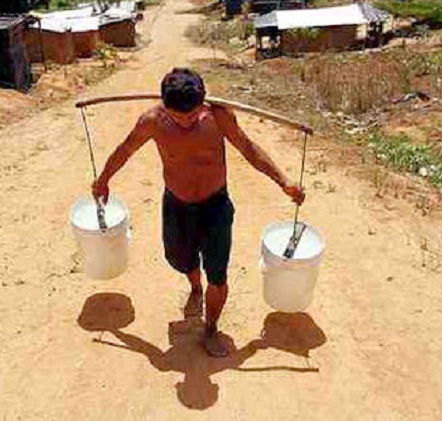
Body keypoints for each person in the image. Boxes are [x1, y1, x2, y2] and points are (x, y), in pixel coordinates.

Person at [92, 68, 304, 357]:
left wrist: (284, 181)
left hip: (215, 205)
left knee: (217, 273)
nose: (185, 122)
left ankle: (211, 329)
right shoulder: (152, 121)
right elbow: (125, 150)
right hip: (176, 204)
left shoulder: (218, 117)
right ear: (165, 107)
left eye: (192, 116)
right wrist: (103, 179)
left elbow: (248, 148)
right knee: (180, 257)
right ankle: (195, 288)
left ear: (202, 104)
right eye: (178, 117)